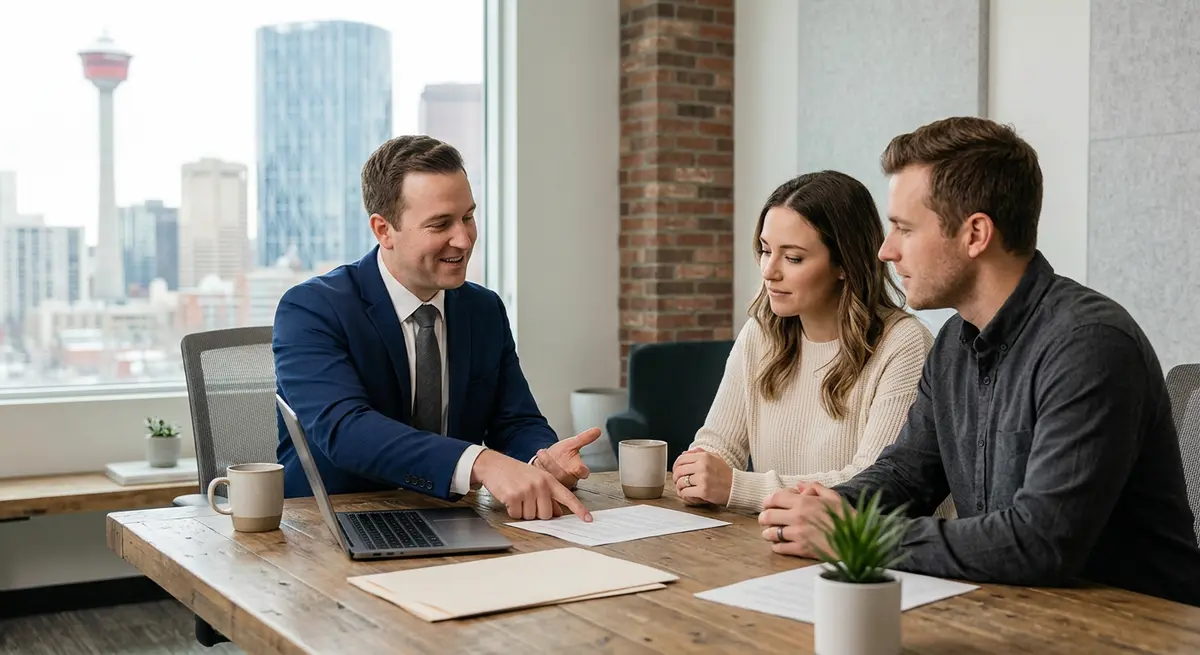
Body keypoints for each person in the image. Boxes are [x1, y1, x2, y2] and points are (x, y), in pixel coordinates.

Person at [758, 117, 1200, 606]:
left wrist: (853, 536)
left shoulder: (1091, 345)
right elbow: (908, 475)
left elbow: (1041, 541)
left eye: (904, 228)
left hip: (1137, 627)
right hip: (1014, 610)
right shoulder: (954, 342)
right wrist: (831, 506)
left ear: (975, 234)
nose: (885, 250)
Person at [273, 135, 597, 522]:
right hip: (333, 526)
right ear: (383, 230)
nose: (463, 239)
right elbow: (345, 430)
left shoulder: (483, 309)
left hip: (456, 522)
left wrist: (540, 461)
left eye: (468, 217)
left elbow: (515, 421)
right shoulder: (312, 309)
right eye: (440, 223)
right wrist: (482, 463)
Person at [670, 171, 949, 515]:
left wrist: (736, 486)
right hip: (785, 540)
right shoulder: (760, 333)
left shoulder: (903, 344)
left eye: (793, 258)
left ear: (845, 264)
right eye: (765, 250)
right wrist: (698, 472)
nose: (769, 271)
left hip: (878, 555)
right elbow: (717, 446)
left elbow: (874, 486)